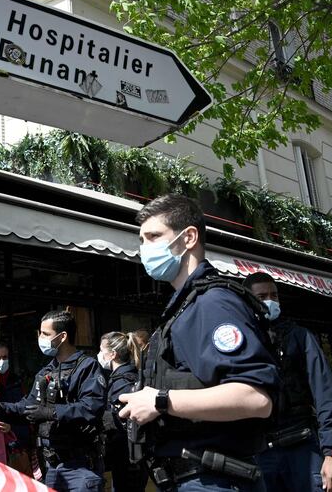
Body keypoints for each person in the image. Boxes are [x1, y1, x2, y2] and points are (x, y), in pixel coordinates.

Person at [118, 194, 280, 492]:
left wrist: (160, 401)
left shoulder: (213, 304)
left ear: (188, 237)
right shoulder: (186, 307)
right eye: (141, 239)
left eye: (153, 236)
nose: (144, 248)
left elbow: (255, 398)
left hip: (213, 479)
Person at [244, 272, 332, 492]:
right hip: (258, 452)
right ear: (247, 300)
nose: (270, 301)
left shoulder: (299, 337)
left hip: (301, 446)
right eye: (262, 296)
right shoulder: (240, 340)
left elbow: (326, 395)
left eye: (274, 295)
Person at [0, 310, 106, 492]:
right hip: (52, 466)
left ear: (63, 336)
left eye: (45, 334)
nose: (40, 338)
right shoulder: (46, 371)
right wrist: (4, 409)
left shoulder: (87, 367)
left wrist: (51, 412)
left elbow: (91, 408)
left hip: (80, 466)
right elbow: (28, 406)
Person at [98, 332, 148, 492]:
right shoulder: (126, 376)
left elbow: (121, 420)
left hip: (128, 456)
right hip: (129, 455)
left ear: (112, 354)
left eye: (101, 350)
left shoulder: (123, 382)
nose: (99, 355)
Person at [0, 342, 36, 477]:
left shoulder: (16, 380)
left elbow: (25, 408)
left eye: (5, 357)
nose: (2, 361)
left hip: (20, 444)